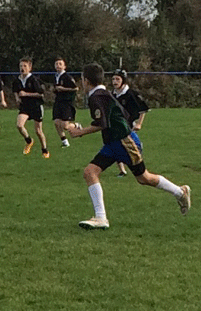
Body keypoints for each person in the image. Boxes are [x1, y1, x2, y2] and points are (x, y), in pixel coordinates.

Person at [67, 63, 190, 230]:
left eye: (82, 79)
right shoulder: (104, 94)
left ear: (86, 80)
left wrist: (79, 132)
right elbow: (118, 116)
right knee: (90, 172)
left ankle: (180, 192)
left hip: (124, 143)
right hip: (113, 143)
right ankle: (101, 218)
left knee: (144, 178)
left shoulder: (97, 97)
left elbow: (103, 123)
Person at [111, 68, 150, 177]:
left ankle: (138, 150)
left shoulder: (131, 94)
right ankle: (122, 170)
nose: (115, 82)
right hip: (115, 126)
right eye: (113, 79)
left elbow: (143, 109)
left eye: (117, 79)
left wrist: (139, 124)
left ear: (123, 80)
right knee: (114, 145)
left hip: (128, 126)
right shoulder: (111, 95)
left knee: (129, 147)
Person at [13, 58, 49, 158]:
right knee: (19, 125)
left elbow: (40, 94)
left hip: (36, 106)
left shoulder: (34, 80)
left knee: (38, 131)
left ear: (30, 67)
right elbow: (15, 90)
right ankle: (29, 141)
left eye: (25, 66)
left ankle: (45, 150)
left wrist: (26, 94)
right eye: (21, 66)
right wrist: (17, 98)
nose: (22, 68)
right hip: (25, 107)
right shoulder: (18, 80)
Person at [52, 57, 78, 148]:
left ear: (64, 66)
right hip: (58, 102)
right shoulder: (55, 76)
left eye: (60, 64)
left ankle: (76, 125)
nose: (58, 66)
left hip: (67, 103)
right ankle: (64, 141)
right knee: (56, 122)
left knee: (65, 126)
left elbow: (75, 88)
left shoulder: (67, 77)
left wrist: (64, 89)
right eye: (56, 64)